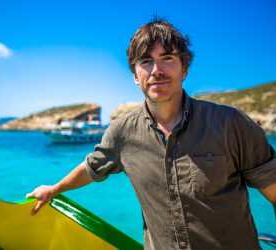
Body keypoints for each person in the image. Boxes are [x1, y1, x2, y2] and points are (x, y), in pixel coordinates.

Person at [26, 19, 276, 250]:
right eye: (146, 61)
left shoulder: (229, 124)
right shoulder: (122, 132)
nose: (156, 70)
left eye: (167, 58)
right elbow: (92, 167)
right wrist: (55, 189)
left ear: (184, 69)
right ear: (135, 76)